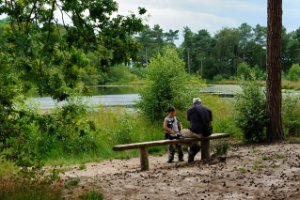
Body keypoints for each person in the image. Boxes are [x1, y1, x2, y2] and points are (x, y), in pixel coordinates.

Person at [181, 98, 213, 163]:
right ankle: (206, 157)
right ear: (201, 102)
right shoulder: (208, 109)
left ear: (193, 103)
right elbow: (210, 123)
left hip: (196, 133)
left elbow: (191, 123)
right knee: (202, 136)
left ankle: (193, 147)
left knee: (181, 132)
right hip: (207, 133)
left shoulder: (190, 110)